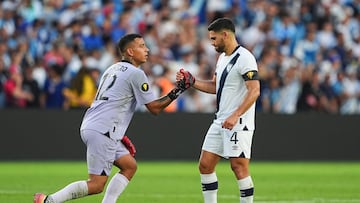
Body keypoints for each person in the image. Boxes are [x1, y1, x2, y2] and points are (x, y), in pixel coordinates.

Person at [34, 33, 187, 203]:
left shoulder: (111, 69)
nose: (147, 49)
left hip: (95, 124)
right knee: (96, 185)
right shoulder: (136, 74)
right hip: (104, 129)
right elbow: (154, 108)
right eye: (142, 46)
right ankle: (48, 201)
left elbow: (113, 102)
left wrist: (118, 133)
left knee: (129, 166)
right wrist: (178, 90)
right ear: (130, 51)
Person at [176, 18, 260, 203]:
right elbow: (215, 86)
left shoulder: (245, 57)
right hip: (220, 120)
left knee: (239, 167)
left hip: (239, 122)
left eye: (214, 39)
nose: (212, 43)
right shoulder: (222, 58)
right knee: (205, 165)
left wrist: (236, 115)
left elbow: (254, 91)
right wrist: (192, 81)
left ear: (225, 35)